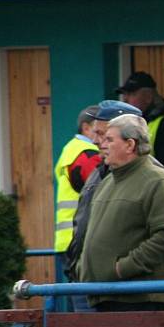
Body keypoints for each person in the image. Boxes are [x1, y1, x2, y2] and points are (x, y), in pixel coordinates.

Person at [76, 114, 164, 311]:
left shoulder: (157, 181)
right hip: (98, 294)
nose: (101, 144)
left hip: (136, 301)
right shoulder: (106, 181)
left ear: (130, 145)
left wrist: (121, 268)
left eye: (109, 139)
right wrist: (84, 267)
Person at [64, 100, 143, 285]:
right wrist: (78, 268)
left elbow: (161, 236)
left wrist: (118, 269)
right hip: (86, 279)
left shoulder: (149, 177)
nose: (95, 141)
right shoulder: (99, 172)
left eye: (103, 135)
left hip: (120, 285)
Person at [54, 105, 99, 254]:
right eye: (99, 129)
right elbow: (100, 192)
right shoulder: (88, 155)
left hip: (68, 238)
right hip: (81, 238)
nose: (103, 136)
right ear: (86, 128)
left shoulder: (71, 149)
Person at [116, 71, 164, 176]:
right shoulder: (131, 124)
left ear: (148, 97)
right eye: (125, 95)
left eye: (132, 94)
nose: (125, 99)